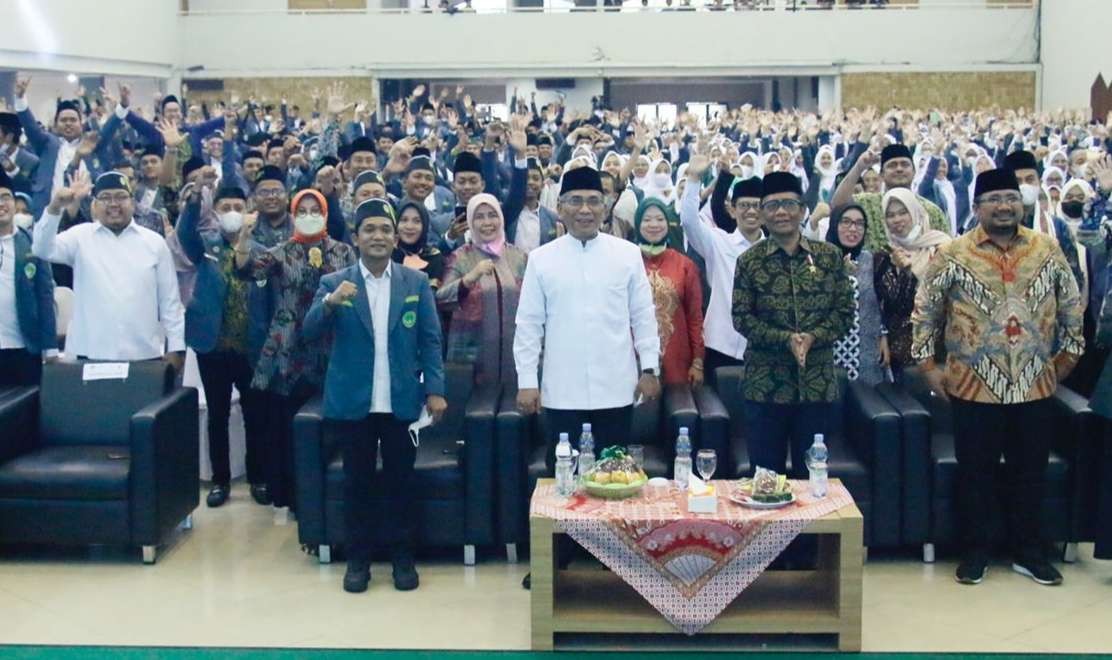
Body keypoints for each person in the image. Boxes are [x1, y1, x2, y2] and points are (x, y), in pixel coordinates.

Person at [911, 168, 1084, 586]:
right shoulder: (954, 253)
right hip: (973, 386)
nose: (1004, 206)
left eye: (1011, 197)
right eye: (994, 199)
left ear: (1022, 203)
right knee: (976, 473)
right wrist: (929, 367)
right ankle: (976, 552)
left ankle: (1029, 552)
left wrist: (1064, 362)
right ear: (977, 207)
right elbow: (925, 313)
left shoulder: (1047, 248)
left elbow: (1071, 309)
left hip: (1036, 385)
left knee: (1031, 472)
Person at [302, 198, 447, 594]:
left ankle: (403, 558)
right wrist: (330, 304)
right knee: (357, 485)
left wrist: (435, 389)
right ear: (356, 237)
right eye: (370, 230)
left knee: (401, 484)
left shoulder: (414, 282)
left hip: (401, 402)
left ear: (395, 235)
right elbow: (308, 331)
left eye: (386, 229)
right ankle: (358, 562)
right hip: (354, 404)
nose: (379, 236)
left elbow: (431, 340)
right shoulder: (335, 283)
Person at [514, 166, 661, 454]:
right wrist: (527, 381)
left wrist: (650, 368)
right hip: (562, 390)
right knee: (563, 479)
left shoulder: (627, 255)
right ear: (560, 207)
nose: (585, 209)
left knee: (614, 477)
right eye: (575, 201)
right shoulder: (541, 260)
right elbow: (529, 325)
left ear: (605, 207)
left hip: (616, 387)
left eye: (593, 200)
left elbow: (643, 316)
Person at [236, 188, 357, 511]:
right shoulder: (280, 251)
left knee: (327, 424)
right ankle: (289, 496)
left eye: (313, 209)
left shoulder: (343, 251)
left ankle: (327, 494)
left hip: (331, 343)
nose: (307, 216)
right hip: (287, 345)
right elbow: (247, 270)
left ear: (324, 213)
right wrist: (244, 240)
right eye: (300, 210)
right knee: (284, 426)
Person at [731, 171, 854, 479]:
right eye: (772, 206)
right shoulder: (750, 261)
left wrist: (813, 337)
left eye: (788, 204)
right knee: (765, 481)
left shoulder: (830, 257)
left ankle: (810, 531)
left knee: (811, 480)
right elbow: (742, 317)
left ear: (802, 209)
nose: (781, 212)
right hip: (765, 388)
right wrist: (784, 339)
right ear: (761, 214)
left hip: (816, 387)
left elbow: (844, 313)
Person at [32, 171, 185, 370]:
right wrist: (55, 207)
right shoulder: (80, 237)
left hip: (143, 355)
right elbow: (42, 249)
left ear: (133, 202)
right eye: (105, 198)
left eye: (121, 197)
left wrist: (176, 348)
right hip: (88, 355)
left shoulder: (154, 243)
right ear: (94, 205)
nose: (113, 204)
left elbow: (170, 302)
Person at [178, 184, 270, 508]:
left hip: (251, 347)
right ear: (215, 212)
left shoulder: (261, 251)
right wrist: (191, 206)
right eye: (225, 206)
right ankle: (221, 480)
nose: (232, 211)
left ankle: (258, 477)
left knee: (255, 414)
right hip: (212, 345)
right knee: (216, 414)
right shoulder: (205, 246)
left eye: (238, 205)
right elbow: (185, 233)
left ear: (248, 210)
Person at [680, 157, 763, 385]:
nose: (751, 212)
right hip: (719, 348)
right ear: (732, 210)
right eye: (744, 206)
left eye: (757, 206)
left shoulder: (774, 251)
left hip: (762, 351)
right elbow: (688, 221)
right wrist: (694, 178)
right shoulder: (718, 242)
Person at [437, 193, 527, 387]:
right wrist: (469, 278)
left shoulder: (518, 257)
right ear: (470, 222)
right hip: (471, 359)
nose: (487, 222)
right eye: (479, 217)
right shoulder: (460, 257)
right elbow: (442, 300)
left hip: (514, 358)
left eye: (492, 215)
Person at [634, 197, 705, 386]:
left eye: (660, 219)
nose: (654, 225)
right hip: (633, 360)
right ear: (637, 224)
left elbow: (695, 317)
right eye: (647, 219)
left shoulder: (684, 265)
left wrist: (697, 362)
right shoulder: (627, 263)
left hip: (678, 360)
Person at [833, 144, 950, 252]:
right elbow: (837, 205)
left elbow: (948, 251)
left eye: (905, 164)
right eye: (892, 165)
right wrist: (859, 167)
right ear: (882, 175)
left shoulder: (932, 211)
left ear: (914, 172)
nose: (899, 169)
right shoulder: (867, 203)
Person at [0, 169, 55, 386]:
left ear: (15, 203)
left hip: (23, 347)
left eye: (5, 197)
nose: (1, 204)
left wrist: (49, 345)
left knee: (25, 414)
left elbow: (45, 295)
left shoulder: (32, 243)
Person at [825, 204, 886, 385]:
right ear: (834, 225)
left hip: (866, 348)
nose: (853, 228)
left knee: (866, 404)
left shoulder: (871, 260)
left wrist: (883, 335)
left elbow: (880, 302)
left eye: (860, 224)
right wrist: (840, 276)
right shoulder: (820, 259)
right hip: (831, 348)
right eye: (846, 222)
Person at [392, 200, 446, 290]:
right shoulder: (388, 256)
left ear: (424, 225)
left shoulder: (434, 257)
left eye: (417, 221)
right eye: (404, 220)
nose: (409, 226)